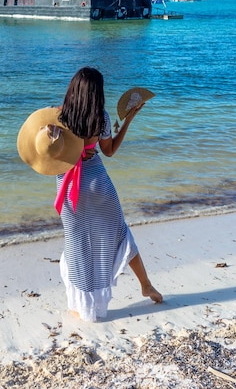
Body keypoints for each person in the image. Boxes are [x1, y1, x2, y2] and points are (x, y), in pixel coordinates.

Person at [55, 66, 162, 321]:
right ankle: (145, 284)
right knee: (119, 234)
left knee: (77, 244)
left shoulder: (59, 117)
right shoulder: (101, 118)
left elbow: (46, 152)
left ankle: (80, 303)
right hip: (97, 183)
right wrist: (128, 121)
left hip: (69, 185)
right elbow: (110, 150)